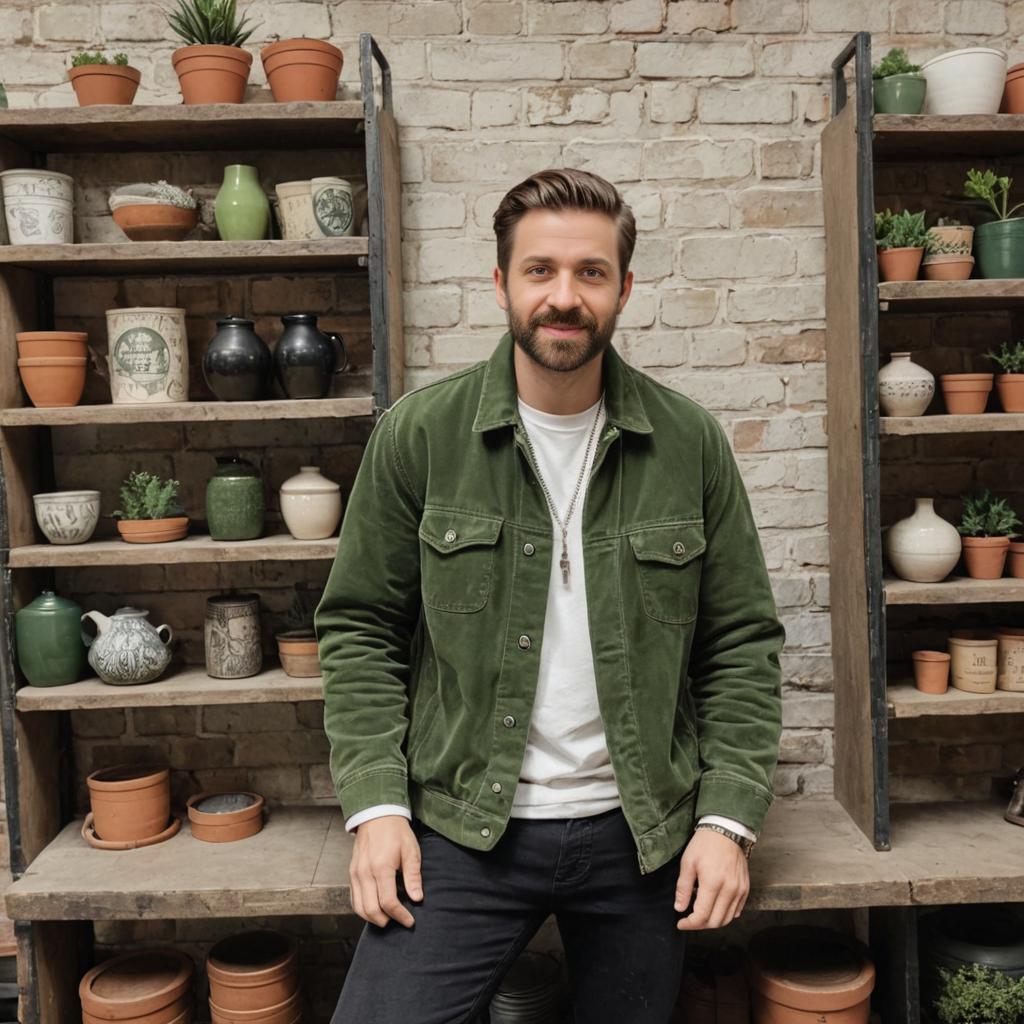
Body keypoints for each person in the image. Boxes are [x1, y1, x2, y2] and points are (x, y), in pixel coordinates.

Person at [316, 167, 785, 1024]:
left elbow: (742, 643)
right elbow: (359, 629)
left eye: (590, 273)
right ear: (500, 283)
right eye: (540, 271)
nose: (563, 297)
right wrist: (376, 806)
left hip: (640, 831)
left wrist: (727, 819)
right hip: (463, 824)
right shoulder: (420, 436)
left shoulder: (689, 443)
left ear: (624, 289)